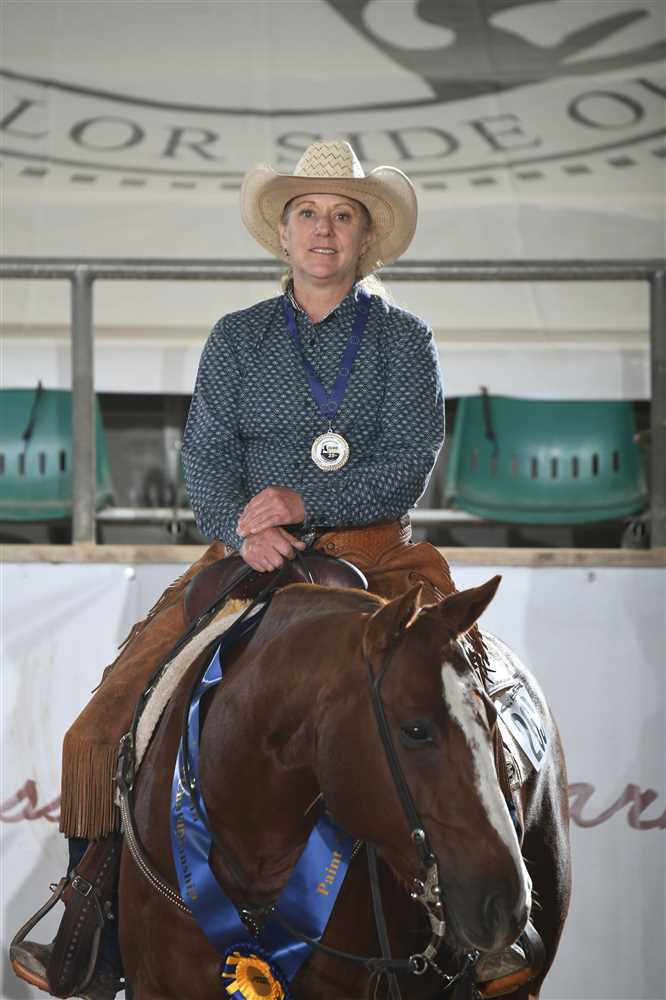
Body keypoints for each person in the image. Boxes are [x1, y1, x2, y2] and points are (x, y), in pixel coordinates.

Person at [10, 140, 540, 999]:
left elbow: (409, 465)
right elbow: (207, 461)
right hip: (249, 556)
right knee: (106, 719)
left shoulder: (405, 340)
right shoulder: (236, 338)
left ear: (365, 237)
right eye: (308, 214)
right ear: (284, 234)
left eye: (343, 215)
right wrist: (239, 529)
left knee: (465, 709)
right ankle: (92, 914)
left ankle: (489, 919)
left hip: (378, 551)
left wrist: (303, 502)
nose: (324, 231)